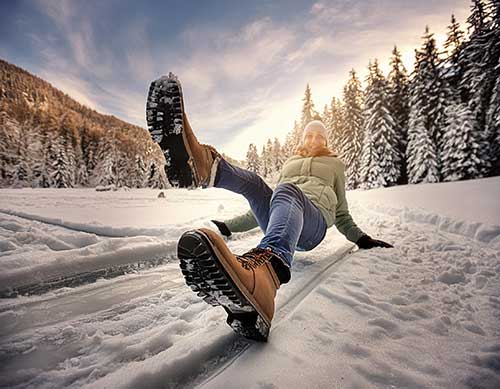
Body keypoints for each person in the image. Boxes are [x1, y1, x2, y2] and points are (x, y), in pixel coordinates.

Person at [146, 73, 393, 342]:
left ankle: (268, 275)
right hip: (289, 213)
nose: (313, 140)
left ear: (325, 141)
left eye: (318, 137)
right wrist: (230, 226)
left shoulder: (334, 166)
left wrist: (362, 239)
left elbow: (342, 212)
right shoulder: (290, 164)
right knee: (255, 184)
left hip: (314, 224)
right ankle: (204, 166)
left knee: (287, 191)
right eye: (308, 135)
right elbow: (274, 207)